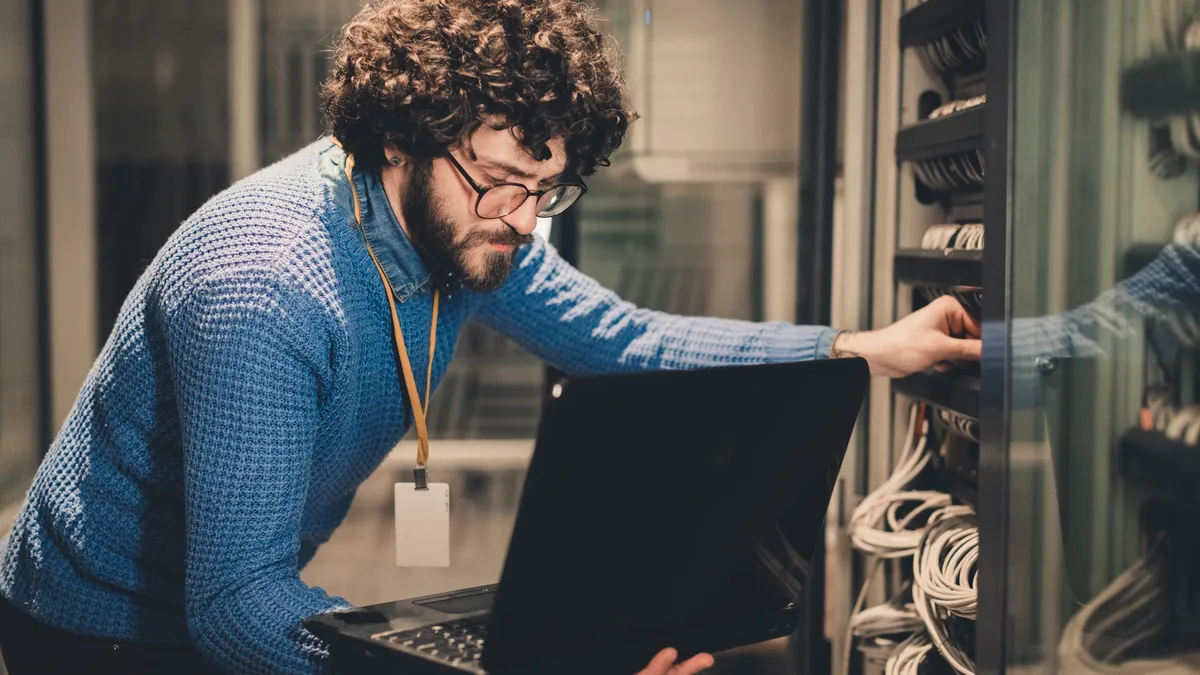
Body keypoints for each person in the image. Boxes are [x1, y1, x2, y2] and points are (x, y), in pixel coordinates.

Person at [0, 1, 981, 673]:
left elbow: (623, 339)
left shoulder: (465, 229)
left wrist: (860, 349)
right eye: (498, 181)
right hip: (104, 627)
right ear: (400, 137)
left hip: (240, 594)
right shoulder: (264, 284)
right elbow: (234, 605)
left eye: (546, 189)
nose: (521, 217)